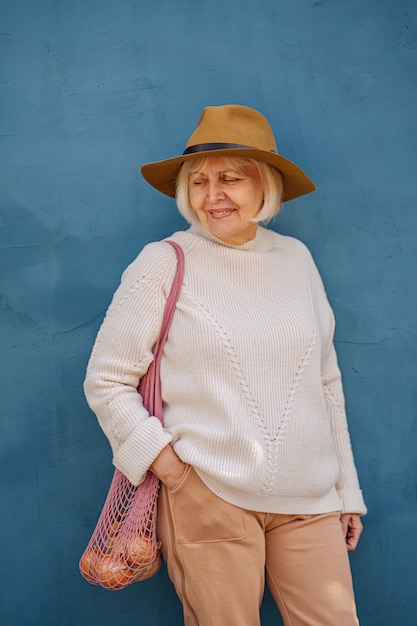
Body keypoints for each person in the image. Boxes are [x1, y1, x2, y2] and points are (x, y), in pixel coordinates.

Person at [84, 104, 367, 626]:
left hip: (310, 500)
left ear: (266, 188)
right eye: (199, 181)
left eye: (230, 179)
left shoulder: (297, 260)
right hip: (208, 492)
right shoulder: (164, 261)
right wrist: (168, 467)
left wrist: (345, 489)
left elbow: (326, 382)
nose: (212, 196)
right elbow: (106, 379)